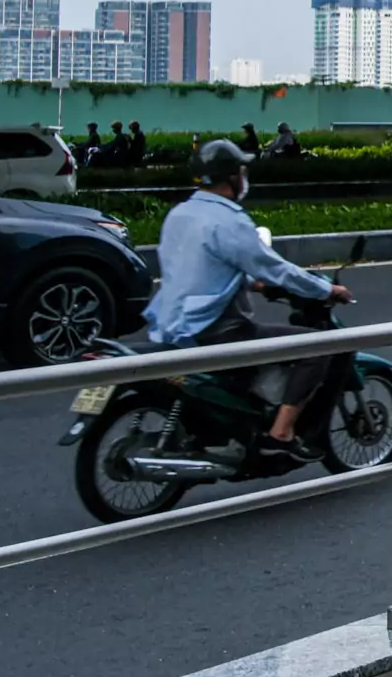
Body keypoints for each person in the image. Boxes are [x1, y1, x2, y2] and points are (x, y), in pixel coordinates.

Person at [142, 138, 353, 463]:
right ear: (231, 177)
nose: (244, 176)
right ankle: (280, 433)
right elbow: (274, 268)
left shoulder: (180, 213)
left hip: (171, 325)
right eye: (242, 170)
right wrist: (326, 291)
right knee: (320, 345)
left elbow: (200, 266)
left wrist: (250, 283)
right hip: (216, 329)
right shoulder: (229, 220)